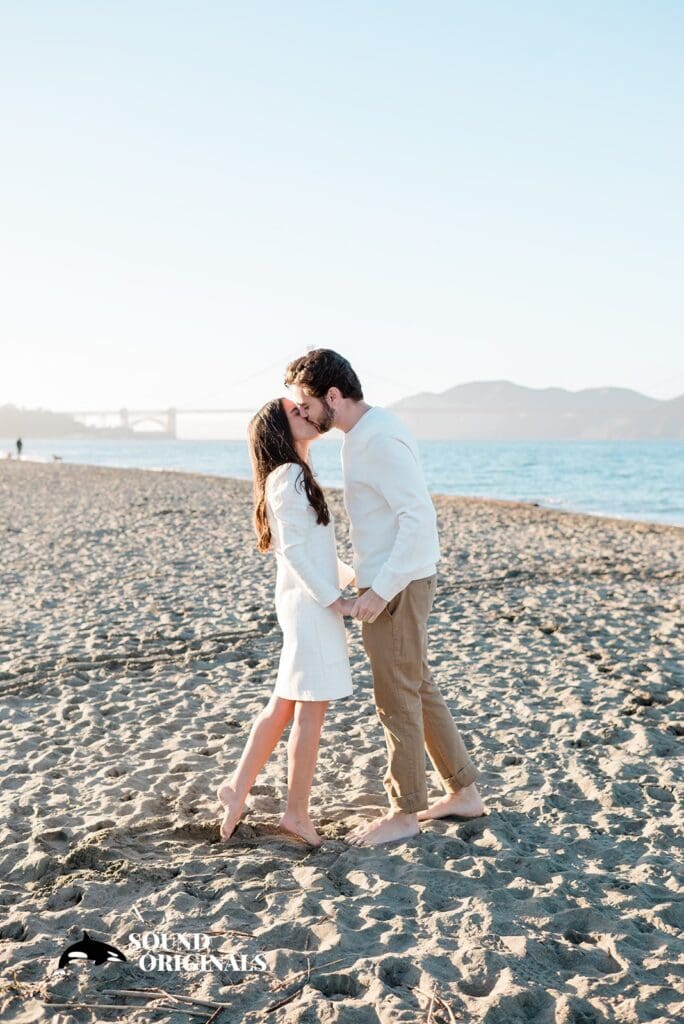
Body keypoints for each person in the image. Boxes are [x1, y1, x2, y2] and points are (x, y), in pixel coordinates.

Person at [285, 349, 486, 847]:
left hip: (397, 586)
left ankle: (404, 813)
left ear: (333, 396)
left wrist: (380, 589)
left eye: (307, 403)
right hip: (393, 581)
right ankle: (464, 793)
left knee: (395, 697)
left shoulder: (378, 439)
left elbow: (419, 519)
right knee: (416, 684)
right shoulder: (365, 435)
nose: (305, 414)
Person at [216, 397, 356, 846]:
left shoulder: (286, 476)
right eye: (296, 412)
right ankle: (295, 814)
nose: (306, 413)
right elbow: (296, 552)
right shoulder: (290, 476)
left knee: (284, 706)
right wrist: (336, 600)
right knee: (309, 712)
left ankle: (237, 788)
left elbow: (312, 550)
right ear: (280, 431)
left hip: (303, 603)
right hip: (310, 609)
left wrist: (353, 578)